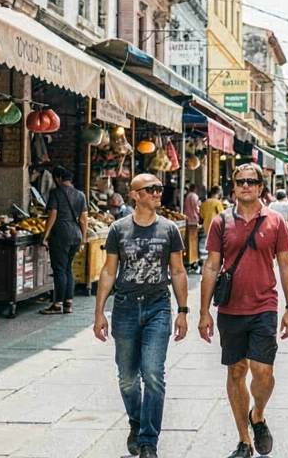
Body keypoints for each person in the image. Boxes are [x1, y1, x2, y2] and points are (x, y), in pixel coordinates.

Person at [198, 164, 288, 458]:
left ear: (261, 187)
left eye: (251, 182)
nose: (246, 186)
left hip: (264, 305)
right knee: (237, 370)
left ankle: (258, 414)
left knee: (263, 372)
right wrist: (203, 311)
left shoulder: (275, 221)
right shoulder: (221, 222)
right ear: (234, 186)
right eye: (240, 181)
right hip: (230, 307)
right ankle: (244, 440)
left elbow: (286, 264)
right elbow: (212, 266)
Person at [94, 172, 189, 458]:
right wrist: (99, 313)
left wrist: (183, 311)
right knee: (127, 377)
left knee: (153, 373)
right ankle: (136, 422)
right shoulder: (118, 229)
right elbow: (109, 270)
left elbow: (178, 271)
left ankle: (149, 440)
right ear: (135, 195)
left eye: (159, 188)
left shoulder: (169, 229)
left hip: (158, 306)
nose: (158, 193)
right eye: (151, 189)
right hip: (124, 307)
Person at [41, 166, 89, 315]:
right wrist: (83, 239)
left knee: (60, 270)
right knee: (68, 269)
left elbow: (53, 213)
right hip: (76, 234)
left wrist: (46, 235)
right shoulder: (80, 195)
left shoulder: (56, 192)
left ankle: (57, 305)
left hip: (61, 233)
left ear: (59, 178)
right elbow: (83, 219)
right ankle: (68, 304)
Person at [200, 186, 226, 255]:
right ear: (217, 193)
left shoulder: (204, 203)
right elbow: (222, 215)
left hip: (206, 227)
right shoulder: (217, 203)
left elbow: (201, 215)